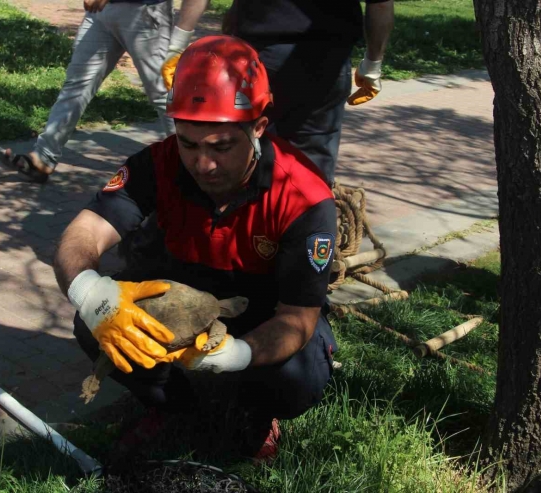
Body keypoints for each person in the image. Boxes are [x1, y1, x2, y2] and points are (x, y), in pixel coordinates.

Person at [53, 35, 339, 461]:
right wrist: (91, 293)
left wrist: (240, 353)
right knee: (92, 324)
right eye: (189, 143)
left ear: (258, 127)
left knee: (299, 374)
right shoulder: (157, 164)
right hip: (181, 302)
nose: (203, 164)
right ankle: (170, 407)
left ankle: (259, 413)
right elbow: (83, 233)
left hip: (264, 310)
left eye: (222, 147)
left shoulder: (304, 197)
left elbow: (297, 318)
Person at [160, 0, 395, 186]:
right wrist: (372, 64)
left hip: (255, 58)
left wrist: (178, 44)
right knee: (313, 157)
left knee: (248, 149)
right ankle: (308, 233)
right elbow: (381, 4)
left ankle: (246, 232)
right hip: (326, 60)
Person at [0, 0, 177, 183]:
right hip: (100, 13)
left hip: (144, 12)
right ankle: (43, 157)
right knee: (76, 86)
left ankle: (188, 164)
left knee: (163, 93)